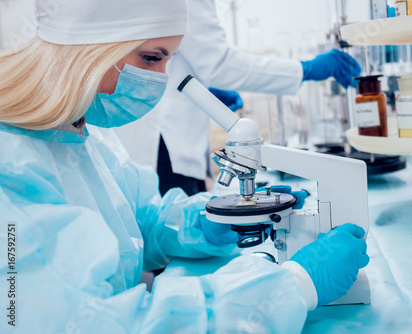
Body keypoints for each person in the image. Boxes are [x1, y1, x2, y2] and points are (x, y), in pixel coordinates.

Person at [0, 0, 368, 333]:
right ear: (89, 48)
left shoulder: (76, 133)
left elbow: (135, 217)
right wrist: (293, 284)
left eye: (168, 61)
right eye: (150, 58)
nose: (160, 78)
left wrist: (205, 223)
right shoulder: (11, 169)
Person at [114, 0, 362, 196]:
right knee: (175, 234)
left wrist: (205, 92)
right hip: (165, 144)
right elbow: (219, 64)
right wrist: (304, 69)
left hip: (165, 135)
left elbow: (183, 59)